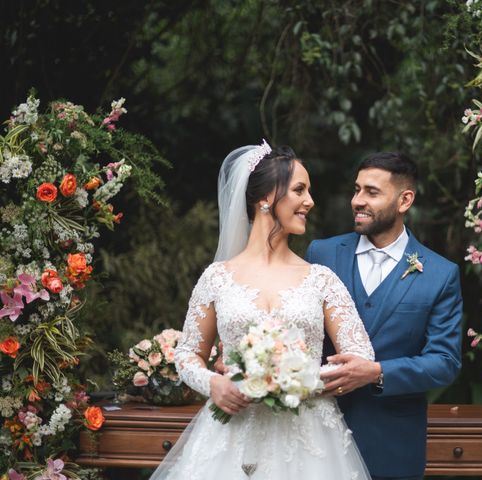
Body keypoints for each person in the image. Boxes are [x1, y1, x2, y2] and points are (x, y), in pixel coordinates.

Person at [150, 142, 375, 480]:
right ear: (266, 197)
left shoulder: (321, 280)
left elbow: (360, 355)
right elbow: (187, 355)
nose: (309, 201)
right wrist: (214, 383)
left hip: (309, 441)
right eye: (299, 190)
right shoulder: (216, 278)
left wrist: (296, 380)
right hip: (231, 436)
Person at [305, 152, 463, 480]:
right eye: (357, 189)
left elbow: (444, 361)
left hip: (392, 443)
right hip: (316, 435)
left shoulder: (440, 274)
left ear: (404, 200)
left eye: (372, 192)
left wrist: (376, 372)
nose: (358, 201)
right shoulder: (322, 253)